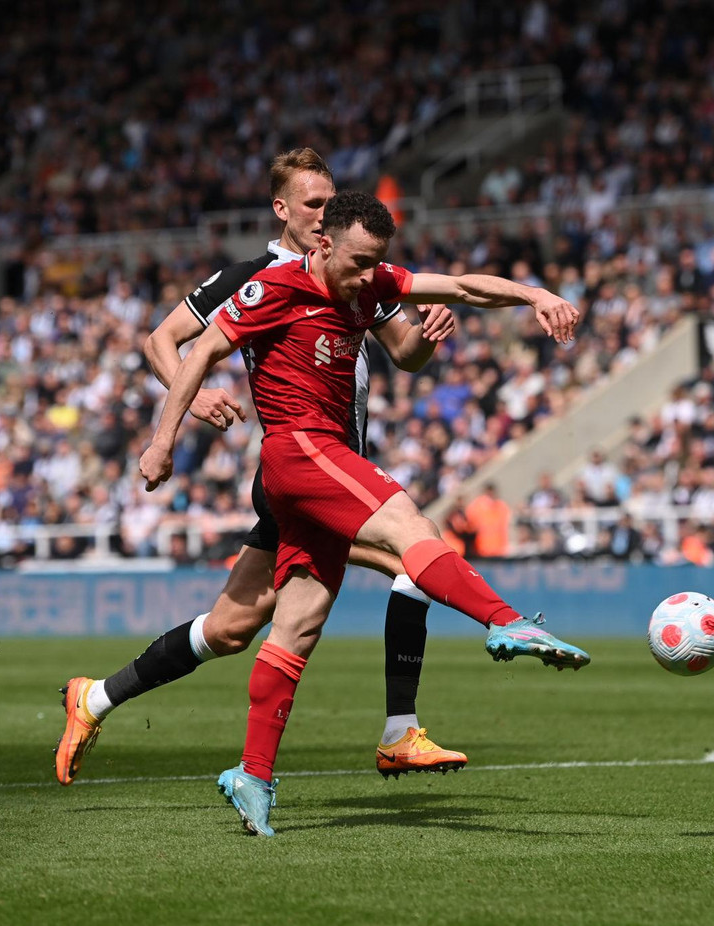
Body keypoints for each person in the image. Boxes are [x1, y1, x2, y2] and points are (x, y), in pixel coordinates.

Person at [138, 190, 589, 836]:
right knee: (413, 528)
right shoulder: (274, 289)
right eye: (357, 262)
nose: (367, 275)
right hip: (298, 450)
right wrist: (163, 442)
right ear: (323, 244)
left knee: (296, 627)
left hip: (320, 462)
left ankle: (253, 775)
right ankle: (506, 622)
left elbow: (462, 286)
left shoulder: (372, 281)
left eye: (376, 262)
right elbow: (201, 354)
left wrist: (534, 295)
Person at [56, 149, 466, 789]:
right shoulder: (252, 278)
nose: (324, 214)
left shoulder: (353, 271)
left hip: (338, 467)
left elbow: (404, 355)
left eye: (331, 202)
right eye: (312, 204)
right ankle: (400, 731)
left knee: (229, 629)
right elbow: (161, 340)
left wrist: (428, 336)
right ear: (281, 209)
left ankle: (96, 697)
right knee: (417, 558)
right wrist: (192, 400)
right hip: (300, 471)